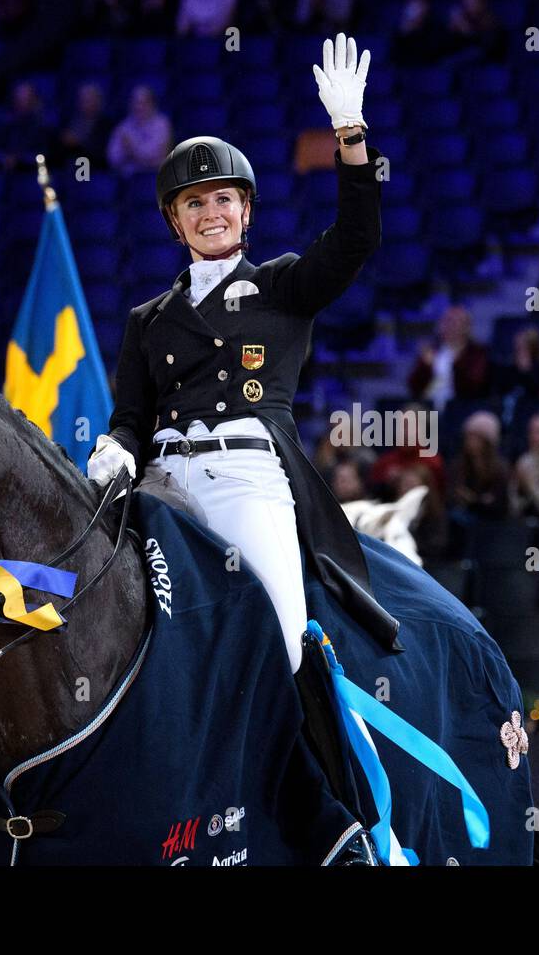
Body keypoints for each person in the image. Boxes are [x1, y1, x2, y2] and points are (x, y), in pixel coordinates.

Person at [88, 34, 399, 680]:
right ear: (175, 223)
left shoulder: (283, 286)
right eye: (193, 203)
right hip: (160, 485)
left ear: (246, 209)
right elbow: (132, 415)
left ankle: (317, 772)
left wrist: (350, 133)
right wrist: (114, 445)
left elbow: (356, 238)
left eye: (223, 199)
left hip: (245, 481)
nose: (210, 213)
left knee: (284, 643)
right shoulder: (146, 320)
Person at [405, 303, 490, 410]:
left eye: (455, 322)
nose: (450, 326)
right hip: (429, 405)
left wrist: (456, 363)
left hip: (463, 407)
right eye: (446, 321)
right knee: (410, 411)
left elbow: (474, 386)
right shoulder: (432, 351)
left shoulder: (477, 353)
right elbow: (414, 387)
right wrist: (426, 367)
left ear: (467, 327)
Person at [450, 410, 509, 520]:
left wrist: (475, 500)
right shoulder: (458, 464)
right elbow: (454, 493)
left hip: (492, 522)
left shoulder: (500, 468)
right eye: (469, 437)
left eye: (477, 438)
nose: (471, 442)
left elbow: (499, 503)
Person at [107, 85, 173, 176]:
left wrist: (132, 150)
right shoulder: (124, 126)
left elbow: (156, 157)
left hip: (153, 177)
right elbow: (113, 157)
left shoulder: (161, 124)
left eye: (143, 103)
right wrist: (139, 155)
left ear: (152, 104)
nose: (139, 107)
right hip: (127, 179)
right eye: (136, 102)